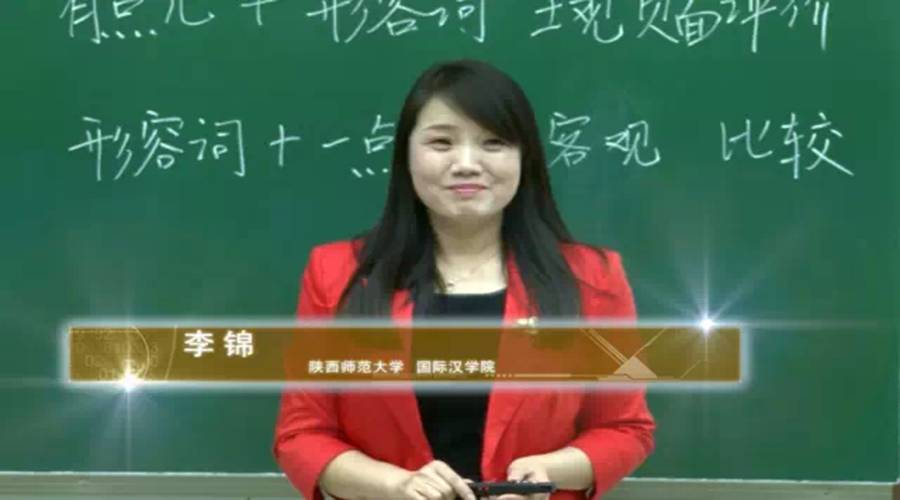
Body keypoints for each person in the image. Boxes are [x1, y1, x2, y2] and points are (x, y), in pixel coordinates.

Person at [273, 59, 655, 500]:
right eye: (441, 142)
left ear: (525, 157)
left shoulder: (595, 278)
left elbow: (626, 427)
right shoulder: (336, 273)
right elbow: (302, 435)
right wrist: (397, 485)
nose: (467, 164)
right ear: (406, 155)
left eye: (494, 142)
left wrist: (548, 473)